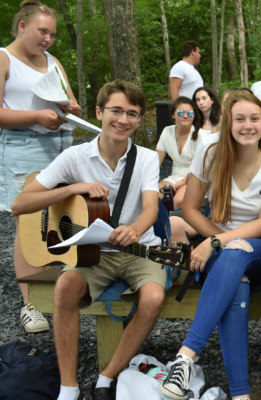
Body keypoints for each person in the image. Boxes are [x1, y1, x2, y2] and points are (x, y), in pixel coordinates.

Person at [12, 80, 164, 400]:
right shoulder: (75, 157)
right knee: (65, 287)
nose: (123, 120)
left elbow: (151, 208)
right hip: (90, 253)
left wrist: (135, 228)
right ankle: (69, 386)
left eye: (132, 114)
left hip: (139, 249)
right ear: (99, 112)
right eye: (116, 111)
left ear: (139, 120)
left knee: (152, 298)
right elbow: (19, 205)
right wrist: (72, 189)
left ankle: (107, 377)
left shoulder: (148, 158)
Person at [160, 90, 261, 400]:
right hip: (223, 256)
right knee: (238, 287)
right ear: (229, 123)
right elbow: (189, 209)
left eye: (255, 118)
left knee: (236, 252)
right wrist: (215, 241)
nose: (248, 125)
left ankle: (186, 356)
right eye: (240, 119)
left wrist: (216, 241)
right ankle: (241, 395)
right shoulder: (211, 156)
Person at [1, 0, 81, 333]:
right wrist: (36, 116)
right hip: (22, 147)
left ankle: (60, 287)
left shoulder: (52, 61)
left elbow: (71, 100)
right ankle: (29, 304)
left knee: (62, 215)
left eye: (51, 33)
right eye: (41, 31)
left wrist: (70, 106)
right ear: (22, 27)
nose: (47, 39)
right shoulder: (4, 58)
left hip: (58, 145)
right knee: (29, 221)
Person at [156, 97, 203, 209]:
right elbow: (155, 161)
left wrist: (175, 186)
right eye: (181, 112)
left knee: (176, 202)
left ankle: (172, 225)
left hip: (195, 178)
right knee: (155, 197)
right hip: (175, 176)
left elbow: (198, 170)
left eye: (190, 113)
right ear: (173, 115)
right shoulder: (167, 131)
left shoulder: (200, 135)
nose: (185, 116)